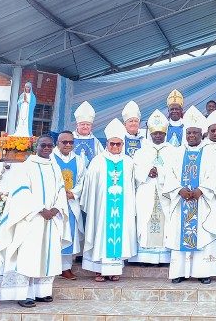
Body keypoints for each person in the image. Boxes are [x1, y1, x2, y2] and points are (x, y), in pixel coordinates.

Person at [0, 136, 69, 307]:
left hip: (50, 220)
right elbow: (21, 192)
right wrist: (41, 210)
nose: (47, 148)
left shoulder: (55, 167)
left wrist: (56, 209)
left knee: (46, 255)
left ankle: (42, 292)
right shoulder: (26, 167)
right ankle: (23, 293)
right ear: (36, 146)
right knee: (29, 255)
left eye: (50, 145)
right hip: (31, 218)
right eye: (43, 145)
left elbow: (61, 191)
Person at [162, 105, 216, 284]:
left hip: (201, 202)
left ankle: (203, 272)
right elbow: (168, 175)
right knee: (180, 234)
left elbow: (215, 175)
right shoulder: (176, 152)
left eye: (195, 133)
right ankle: (179, 272)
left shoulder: (210, 152)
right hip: (181, 201)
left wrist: (202, 189)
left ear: (201, 133)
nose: (191, 136)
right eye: (189, 133)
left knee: (202, 235)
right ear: (185, 134)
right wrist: (178, 190)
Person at [80, 118, 138, 282]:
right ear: (107, 143)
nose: (114, 147)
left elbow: (133, 185)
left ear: (122, 145)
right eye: (112, 144)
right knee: (100, 233)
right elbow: (89, 186)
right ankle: (98, 269)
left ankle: (114, 269)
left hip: (121, 208)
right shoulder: (97, 161)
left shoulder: (128, 162)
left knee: (118, 235)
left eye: (118, 144)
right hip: (102, 208)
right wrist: (93, 205)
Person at [130, 110, 173, 265]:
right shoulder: (141, 151)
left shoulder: (172, 151)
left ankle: (163, 256)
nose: (158, 136)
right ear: (150, 134)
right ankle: (145, 257)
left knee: (164, 222)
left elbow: (174, 171)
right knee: (145, 220)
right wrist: (147, 171)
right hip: (146, 191)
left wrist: (159, 172)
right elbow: (134, 170)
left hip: (164, 192)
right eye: (155, 133)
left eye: (161, 133)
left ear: (165, 133)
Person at [51, 130, 87, 280]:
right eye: (64, 142)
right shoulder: (50, 158)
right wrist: (59, 193)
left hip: (71, 202)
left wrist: (74, 192)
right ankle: (52, 266)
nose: (67, 145)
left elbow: (82, 180)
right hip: (54, 203)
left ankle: (66, 268)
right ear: (57, 143)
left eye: (71, 142)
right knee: (55, 234)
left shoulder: (79, 160)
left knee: (69, 234)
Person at [72, 101, 104, 166]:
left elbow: (101, 159)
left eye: (88, 124)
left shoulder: (95, 142)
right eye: (82, 124)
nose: (85, 127)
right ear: (77, 125)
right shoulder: (70, 138)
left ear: (91, 126)